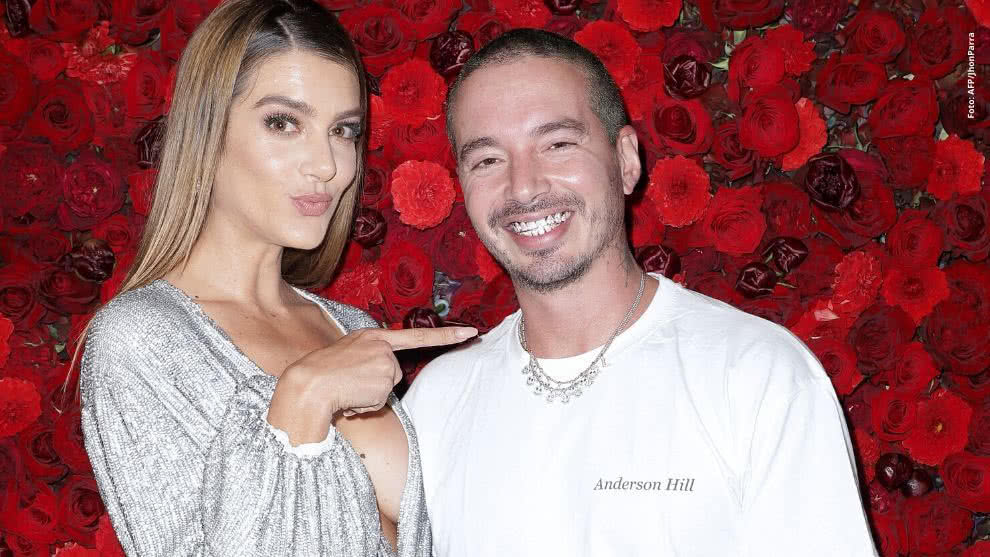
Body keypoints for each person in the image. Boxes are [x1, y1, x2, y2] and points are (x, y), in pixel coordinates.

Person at [401, 28, 879, 556]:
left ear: (626, 159)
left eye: (558, 144)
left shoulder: (755, 374)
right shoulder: (436, 401)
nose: (524, 186)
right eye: (487, 160)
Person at [77, 1, 475, 555]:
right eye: (284, 123)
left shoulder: (349, 326)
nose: (327, 165)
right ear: (207, 132)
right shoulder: (140, 340)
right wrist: (303, 401)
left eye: (343, 130)